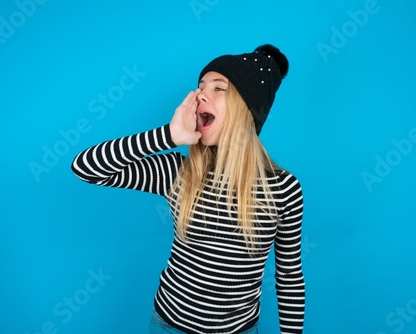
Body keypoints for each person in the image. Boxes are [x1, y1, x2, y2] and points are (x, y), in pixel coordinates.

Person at [71, 44, 305, 333]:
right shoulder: (178, 172)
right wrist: (168, 135)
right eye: (200, 87)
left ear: (248, 109)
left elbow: (289, 275)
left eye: (219, 88)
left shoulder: (282, 188)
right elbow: (86, 167)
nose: (201, 95)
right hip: (169, 326)